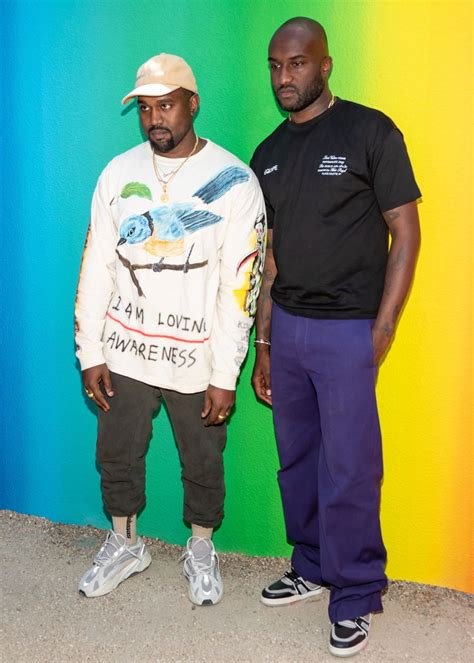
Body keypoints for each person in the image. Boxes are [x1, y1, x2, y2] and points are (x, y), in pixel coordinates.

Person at [250, 17, 420, 657]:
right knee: (296, 460)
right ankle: (311, 564)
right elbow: (267, 258)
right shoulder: (266, 154)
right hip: (288, 328)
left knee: (349, 467)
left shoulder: (369, 131)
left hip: (349, 330)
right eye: (274, 65)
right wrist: (263, 344)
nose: (283, 77)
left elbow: (405, 230)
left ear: (325, 65)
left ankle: (354, 592)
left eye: (296, 63)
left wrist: (384, 324)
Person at [75, 53, 265, 606]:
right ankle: (125, 543)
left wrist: (227, 370)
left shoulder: (236, 182)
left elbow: (240, 284)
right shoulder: (117, 173)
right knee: (116, 453)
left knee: (203, 459)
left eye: (167, 104)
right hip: (124, 349)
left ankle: (201, 548)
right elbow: (96, 267)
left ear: (193, 103)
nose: (156, 118)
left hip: (198, 358)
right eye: (146, 108)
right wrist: (90, 350)